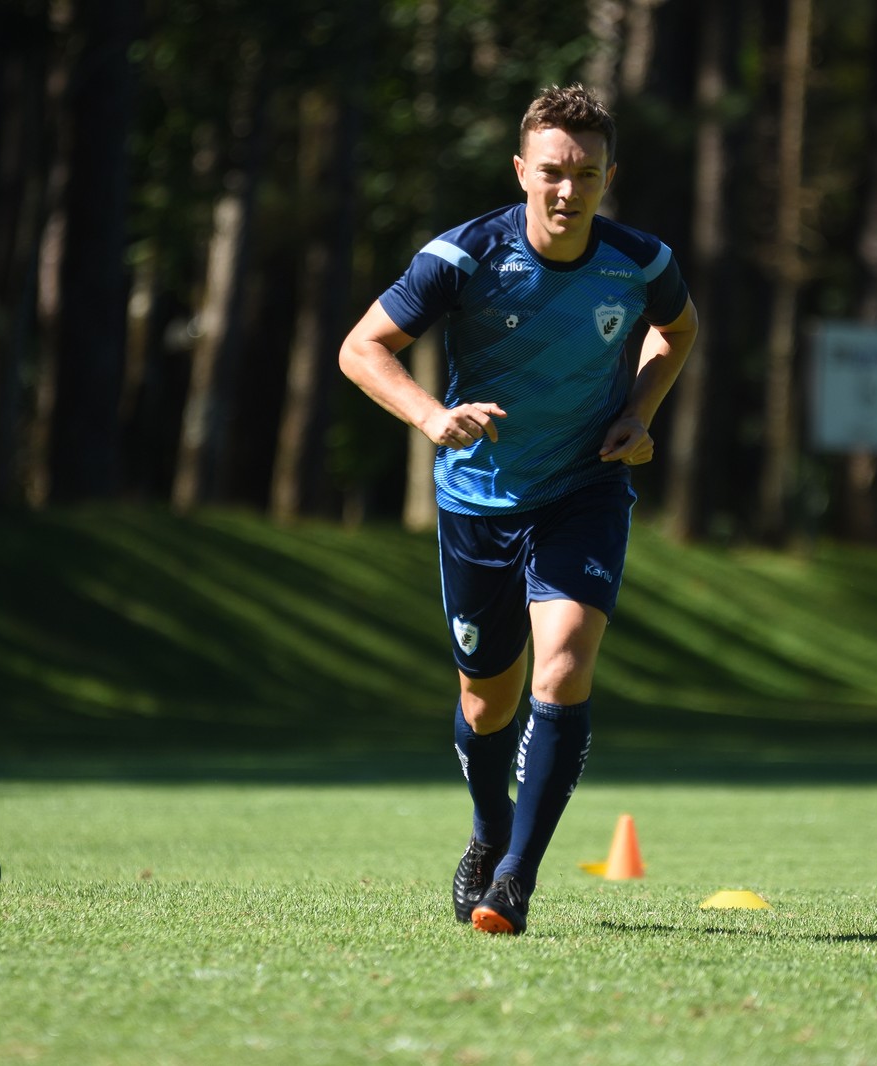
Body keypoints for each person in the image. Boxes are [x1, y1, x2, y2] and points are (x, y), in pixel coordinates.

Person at [338, 84, 698, 935]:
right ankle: (489, 828)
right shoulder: (464, 256)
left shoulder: (641, 262)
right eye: (552, 172)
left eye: (587, 174)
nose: (568, 191)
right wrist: (433, 418)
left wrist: (638, 412)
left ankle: (514, 881)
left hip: (583, 489)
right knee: (484, 705)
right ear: (520, 171)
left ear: (609, 177)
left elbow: (677, 330)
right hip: (479, 504)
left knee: (563, 667)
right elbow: (362, 347)